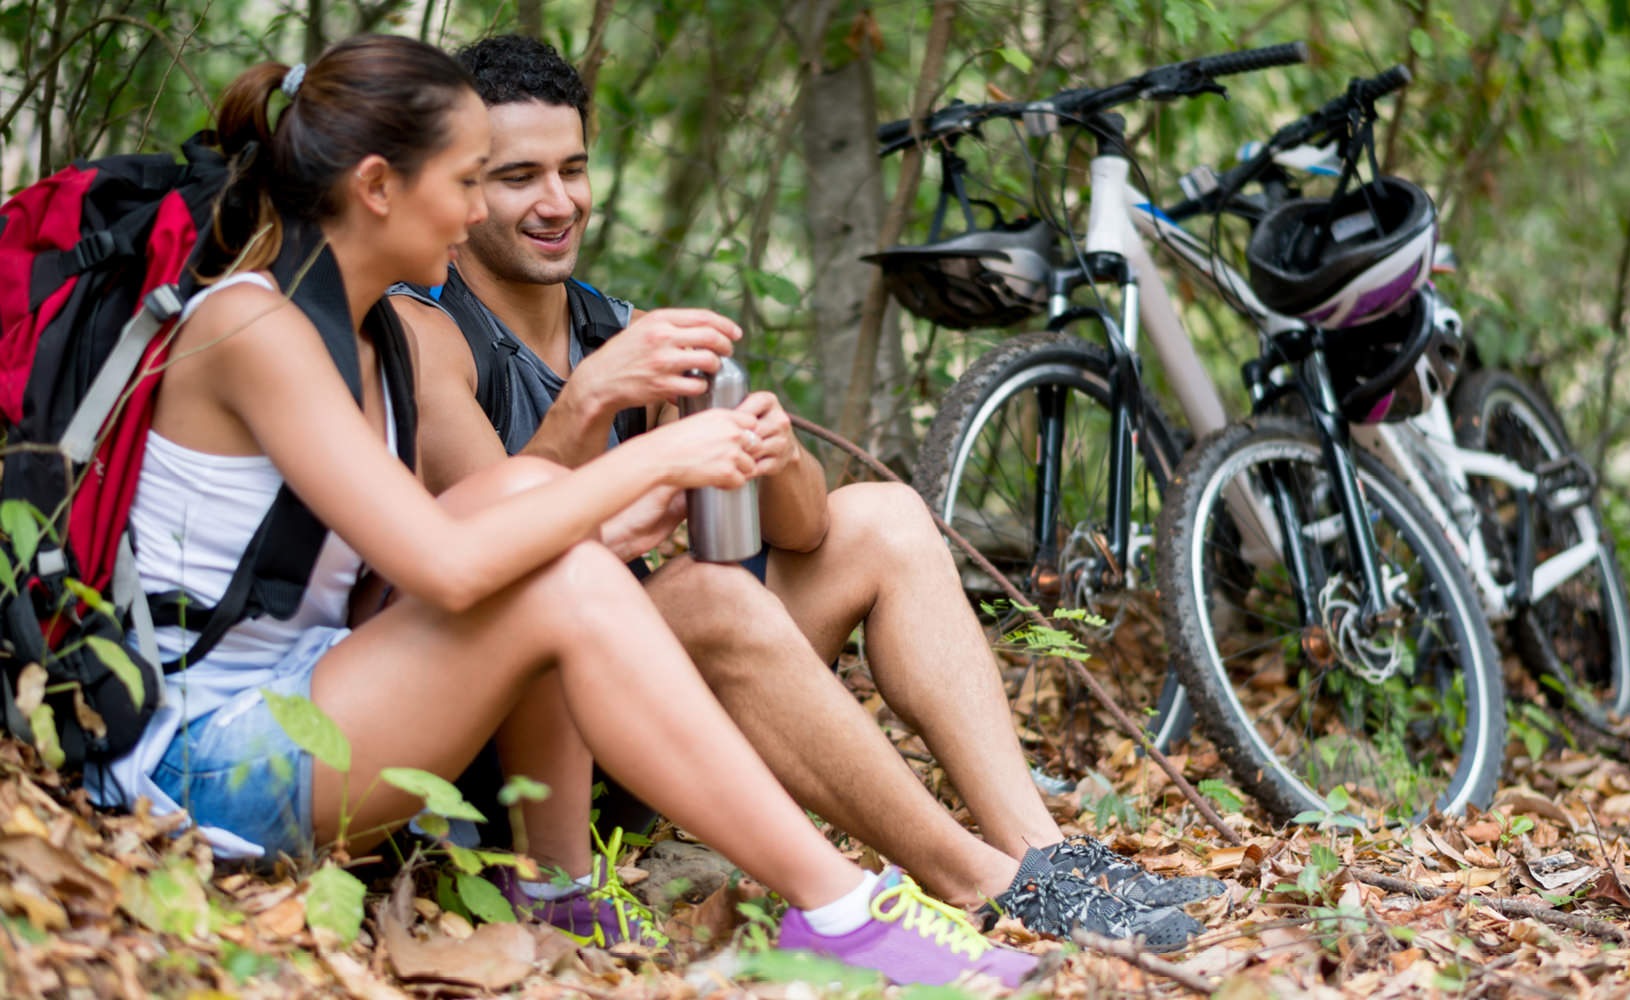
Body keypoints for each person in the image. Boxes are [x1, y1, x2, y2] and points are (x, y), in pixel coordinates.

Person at [89, 34, 1046, 989]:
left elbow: (405, 569)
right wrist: (647, 461)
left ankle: (558, 892)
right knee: (556, 562)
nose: (477, 214)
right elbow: (446, 568)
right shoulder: (258, 324)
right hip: (203, 765)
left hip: (315, 697)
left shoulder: (361, 328)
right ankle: (841, 910)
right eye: (471, 182)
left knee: (534, 512)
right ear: (378, 187)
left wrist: (639, 499)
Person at [391, 34, 1222, 954]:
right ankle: (981, 882)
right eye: (518, 177)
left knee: (884, 518)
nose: (558, 202)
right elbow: (497, 549)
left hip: (631, 729)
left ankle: (1043, 854)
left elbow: (806, 530)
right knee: (707, 594)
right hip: (509, 763)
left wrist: (774, 453)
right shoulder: (426, 334)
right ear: (463, 189)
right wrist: (588, 401)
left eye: (573, 169)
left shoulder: (618, 327)